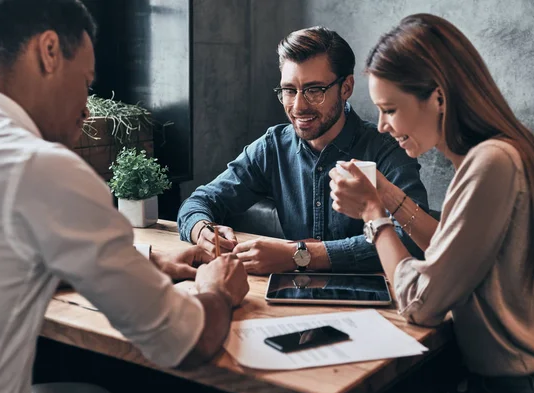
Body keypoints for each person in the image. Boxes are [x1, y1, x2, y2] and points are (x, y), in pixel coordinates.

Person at [0, 1, 249, 393]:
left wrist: (150, 262)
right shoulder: (41, 167)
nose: (87, 107)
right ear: (50, 51)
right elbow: (184, 341)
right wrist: (219, 292)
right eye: (86, 82)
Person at [329, 13, 534, 393]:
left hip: (533, 387)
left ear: (438, 97)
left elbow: (420, 303)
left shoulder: (491, 164)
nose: (382, 125)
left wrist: (373, 216)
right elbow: (447, 257)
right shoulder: (497, 153)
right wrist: (386, 195)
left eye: (391, 109)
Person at [178, 26, 428, 275]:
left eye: (314, 90)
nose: (298, 106)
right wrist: (202, 231)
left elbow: (412, 238)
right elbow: (199, 201)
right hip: (293, 299)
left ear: (346, 88)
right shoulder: (273, 146)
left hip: (382, 303)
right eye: (289, 90)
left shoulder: (386, 149)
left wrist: (300, 256)